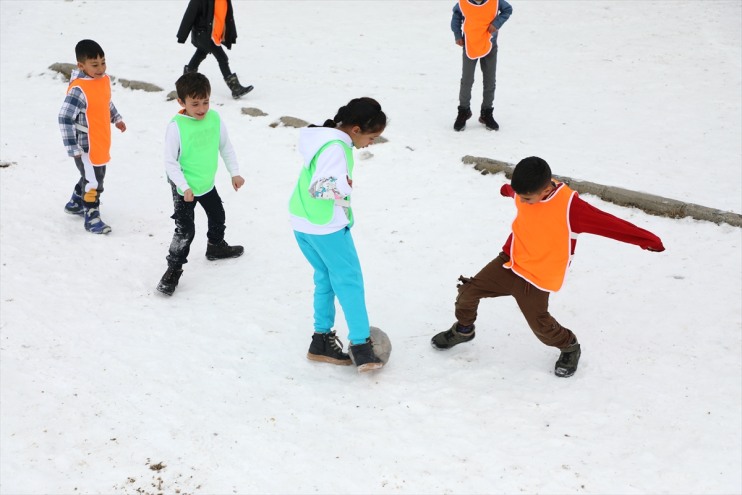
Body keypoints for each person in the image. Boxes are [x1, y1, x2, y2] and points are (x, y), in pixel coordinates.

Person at [431, 157, 665, 377]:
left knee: (542, 327)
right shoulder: (524, 191)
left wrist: (647, 240)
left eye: (527, 199)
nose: (521, 201)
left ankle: (570, 347)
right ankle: (464, 331)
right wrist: (506, 190)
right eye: (519, 196)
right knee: (467, 294)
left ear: (546, 190)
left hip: (537, 277)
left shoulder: (570, 208)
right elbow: (514, 192)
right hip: (509, 260)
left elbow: (610, 224)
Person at [289, 97, 387, 373]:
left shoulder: (321, 139)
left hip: (302, 222)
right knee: (350, 281)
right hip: (324, 226)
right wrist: (345, 185)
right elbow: (321, 188)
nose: (371, 143)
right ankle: (361, 346)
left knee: (326, 278)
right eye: (372, 136)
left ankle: (320, 340)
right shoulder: (336, 147)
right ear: (356, 129)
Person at [156, 72, 245, 296]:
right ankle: (173, 270)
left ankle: (215, 246)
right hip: (184, 188)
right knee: (185, 230)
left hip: (206, 183)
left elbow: (225, 146)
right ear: (181, 102)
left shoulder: (214, 119)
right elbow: (170, 162)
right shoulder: (177, 127)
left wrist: (234, 173)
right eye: (195, 103)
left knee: (218, 215)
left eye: (205, 102)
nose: (202, 108)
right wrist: (184, 187)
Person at [58, 39, 127, 234]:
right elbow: (64, 117)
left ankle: (75, 203)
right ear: (81, 65)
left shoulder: (102, 81)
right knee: (94, 181)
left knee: (93, 175)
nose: (101, 68)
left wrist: (116, 118)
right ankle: (92, 215)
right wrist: (72, 147)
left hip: (101, 140)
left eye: (103, 62)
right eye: (95, 65)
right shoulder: (79, 90)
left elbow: (105, 102)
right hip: (85, 146)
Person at [451, 0, 513, 132]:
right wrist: (457, 35)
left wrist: (497, 23)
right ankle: (464, 111)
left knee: (489, 80)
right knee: (467, 80)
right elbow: (456, 17)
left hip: (490, 45)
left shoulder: (496, 2)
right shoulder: (463, 3)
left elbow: (507, 9)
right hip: (470, 44)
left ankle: (486, 113)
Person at [177, 0, 253, 99]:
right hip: (204, 34)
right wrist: (182, 36)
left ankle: (186, 80)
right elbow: (189, 15)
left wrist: (231, 34)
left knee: (201, 53)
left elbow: (227, 17)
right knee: (222, 58)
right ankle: (235, 88)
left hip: (213, 35)